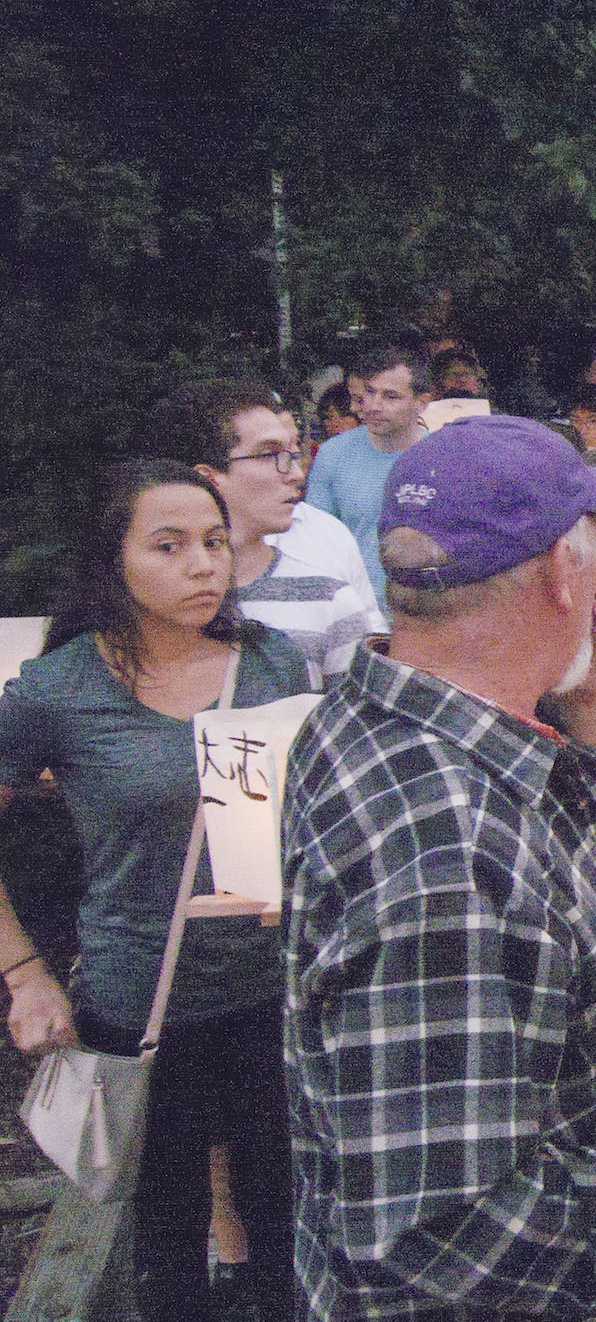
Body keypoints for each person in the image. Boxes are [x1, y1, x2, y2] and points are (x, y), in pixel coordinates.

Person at [284, 417, 596, 1319]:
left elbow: (579, 869)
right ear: (564, 571)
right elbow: (445, 1235)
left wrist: (582, 699)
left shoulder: (373, 712)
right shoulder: (444, 854)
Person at [0, 461, 311, 1321]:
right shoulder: (61, 688)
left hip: (274, 992)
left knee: (286, 1218)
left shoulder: (271, 661)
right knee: (165, 1233)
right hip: (141, 1002)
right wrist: (25, 972)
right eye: (168, 546)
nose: (202, 565)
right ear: (114, 560)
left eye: (214, 542)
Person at [145, 379, 384, 689]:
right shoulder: (144, 600)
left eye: (293, 455)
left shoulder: (328, 598)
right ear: (207, 478)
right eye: (270, 455)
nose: (296, 475)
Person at [305, 344, 433, 598]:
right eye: (370, 393)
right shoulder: (333, 454)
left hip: (426, 609)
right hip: (355, 608)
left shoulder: (443, 458)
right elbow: (315, 543)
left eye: (391, 397)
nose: (374, 405)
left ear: (421, 403)